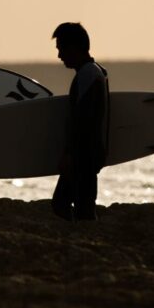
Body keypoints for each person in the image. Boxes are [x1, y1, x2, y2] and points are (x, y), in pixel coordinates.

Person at [51, 22, 109, 221]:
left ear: (74, 47)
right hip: (87, 153)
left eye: (61, 49)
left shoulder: (88, 75)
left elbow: (83, 119)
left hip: (83, 154)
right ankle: (81, 236)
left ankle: (82, 239)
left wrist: (70, 153)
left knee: (68, 204)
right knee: (78, 203)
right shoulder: (94, 72)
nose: (59, 56)